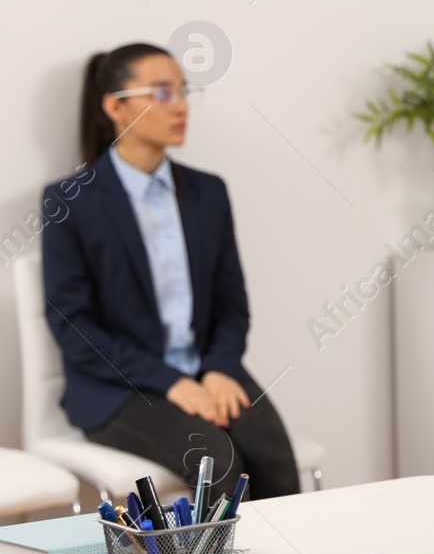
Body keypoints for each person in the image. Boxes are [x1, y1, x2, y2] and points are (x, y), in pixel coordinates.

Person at [41, 43, 300, 499]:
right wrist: (172, 383)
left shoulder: (207, 193)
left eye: (183, 92)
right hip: (118, 389)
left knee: (273, 453)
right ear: (116, 107)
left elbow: (231, 306)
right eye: (162, 93)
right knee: (216, 462)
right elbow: (74, 328)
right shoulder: (70, 202)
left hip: (207, 371)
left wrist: (219, 369)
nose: (180, 106)